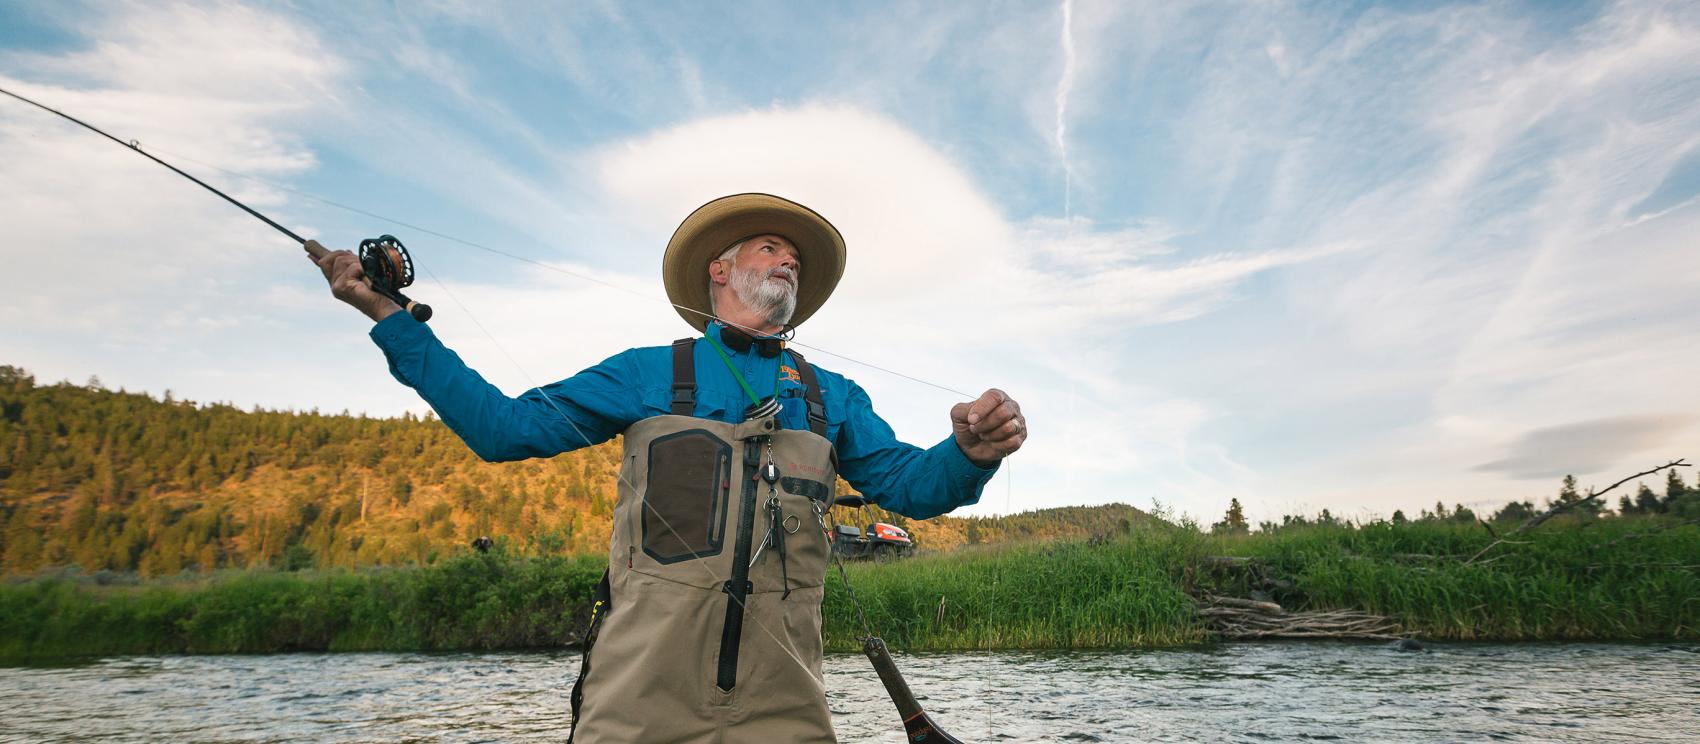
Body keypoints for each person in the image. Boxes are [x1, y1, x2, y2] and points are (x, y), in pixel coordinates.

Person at [312, 193, 1027, 742]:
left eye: (796, 262)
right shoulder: (644, 374)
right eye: (771, 249)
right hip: (636, 706)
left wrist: (971, 452)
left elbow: (913, 488)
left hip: (787, 710)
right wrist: (387, 315)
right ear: (720, 271)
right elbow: (502, 430)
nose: (789, 263)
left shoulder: (832, 397)